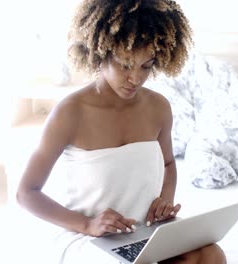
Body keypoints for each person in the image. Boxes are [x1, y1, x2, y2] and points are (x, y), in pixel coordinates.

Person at [17, 0, 226, 263]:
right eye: (125, 64)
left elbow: (169, 164)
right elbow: (26, 193)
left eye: (146, 65)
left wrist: (163, 202)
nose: (136, 78)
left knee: (210, 254)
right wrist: (87, 225)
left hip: (145, 232)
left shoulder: (158, 107)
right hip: (91, 237)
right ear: (99, 51)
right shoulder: (70, 113)